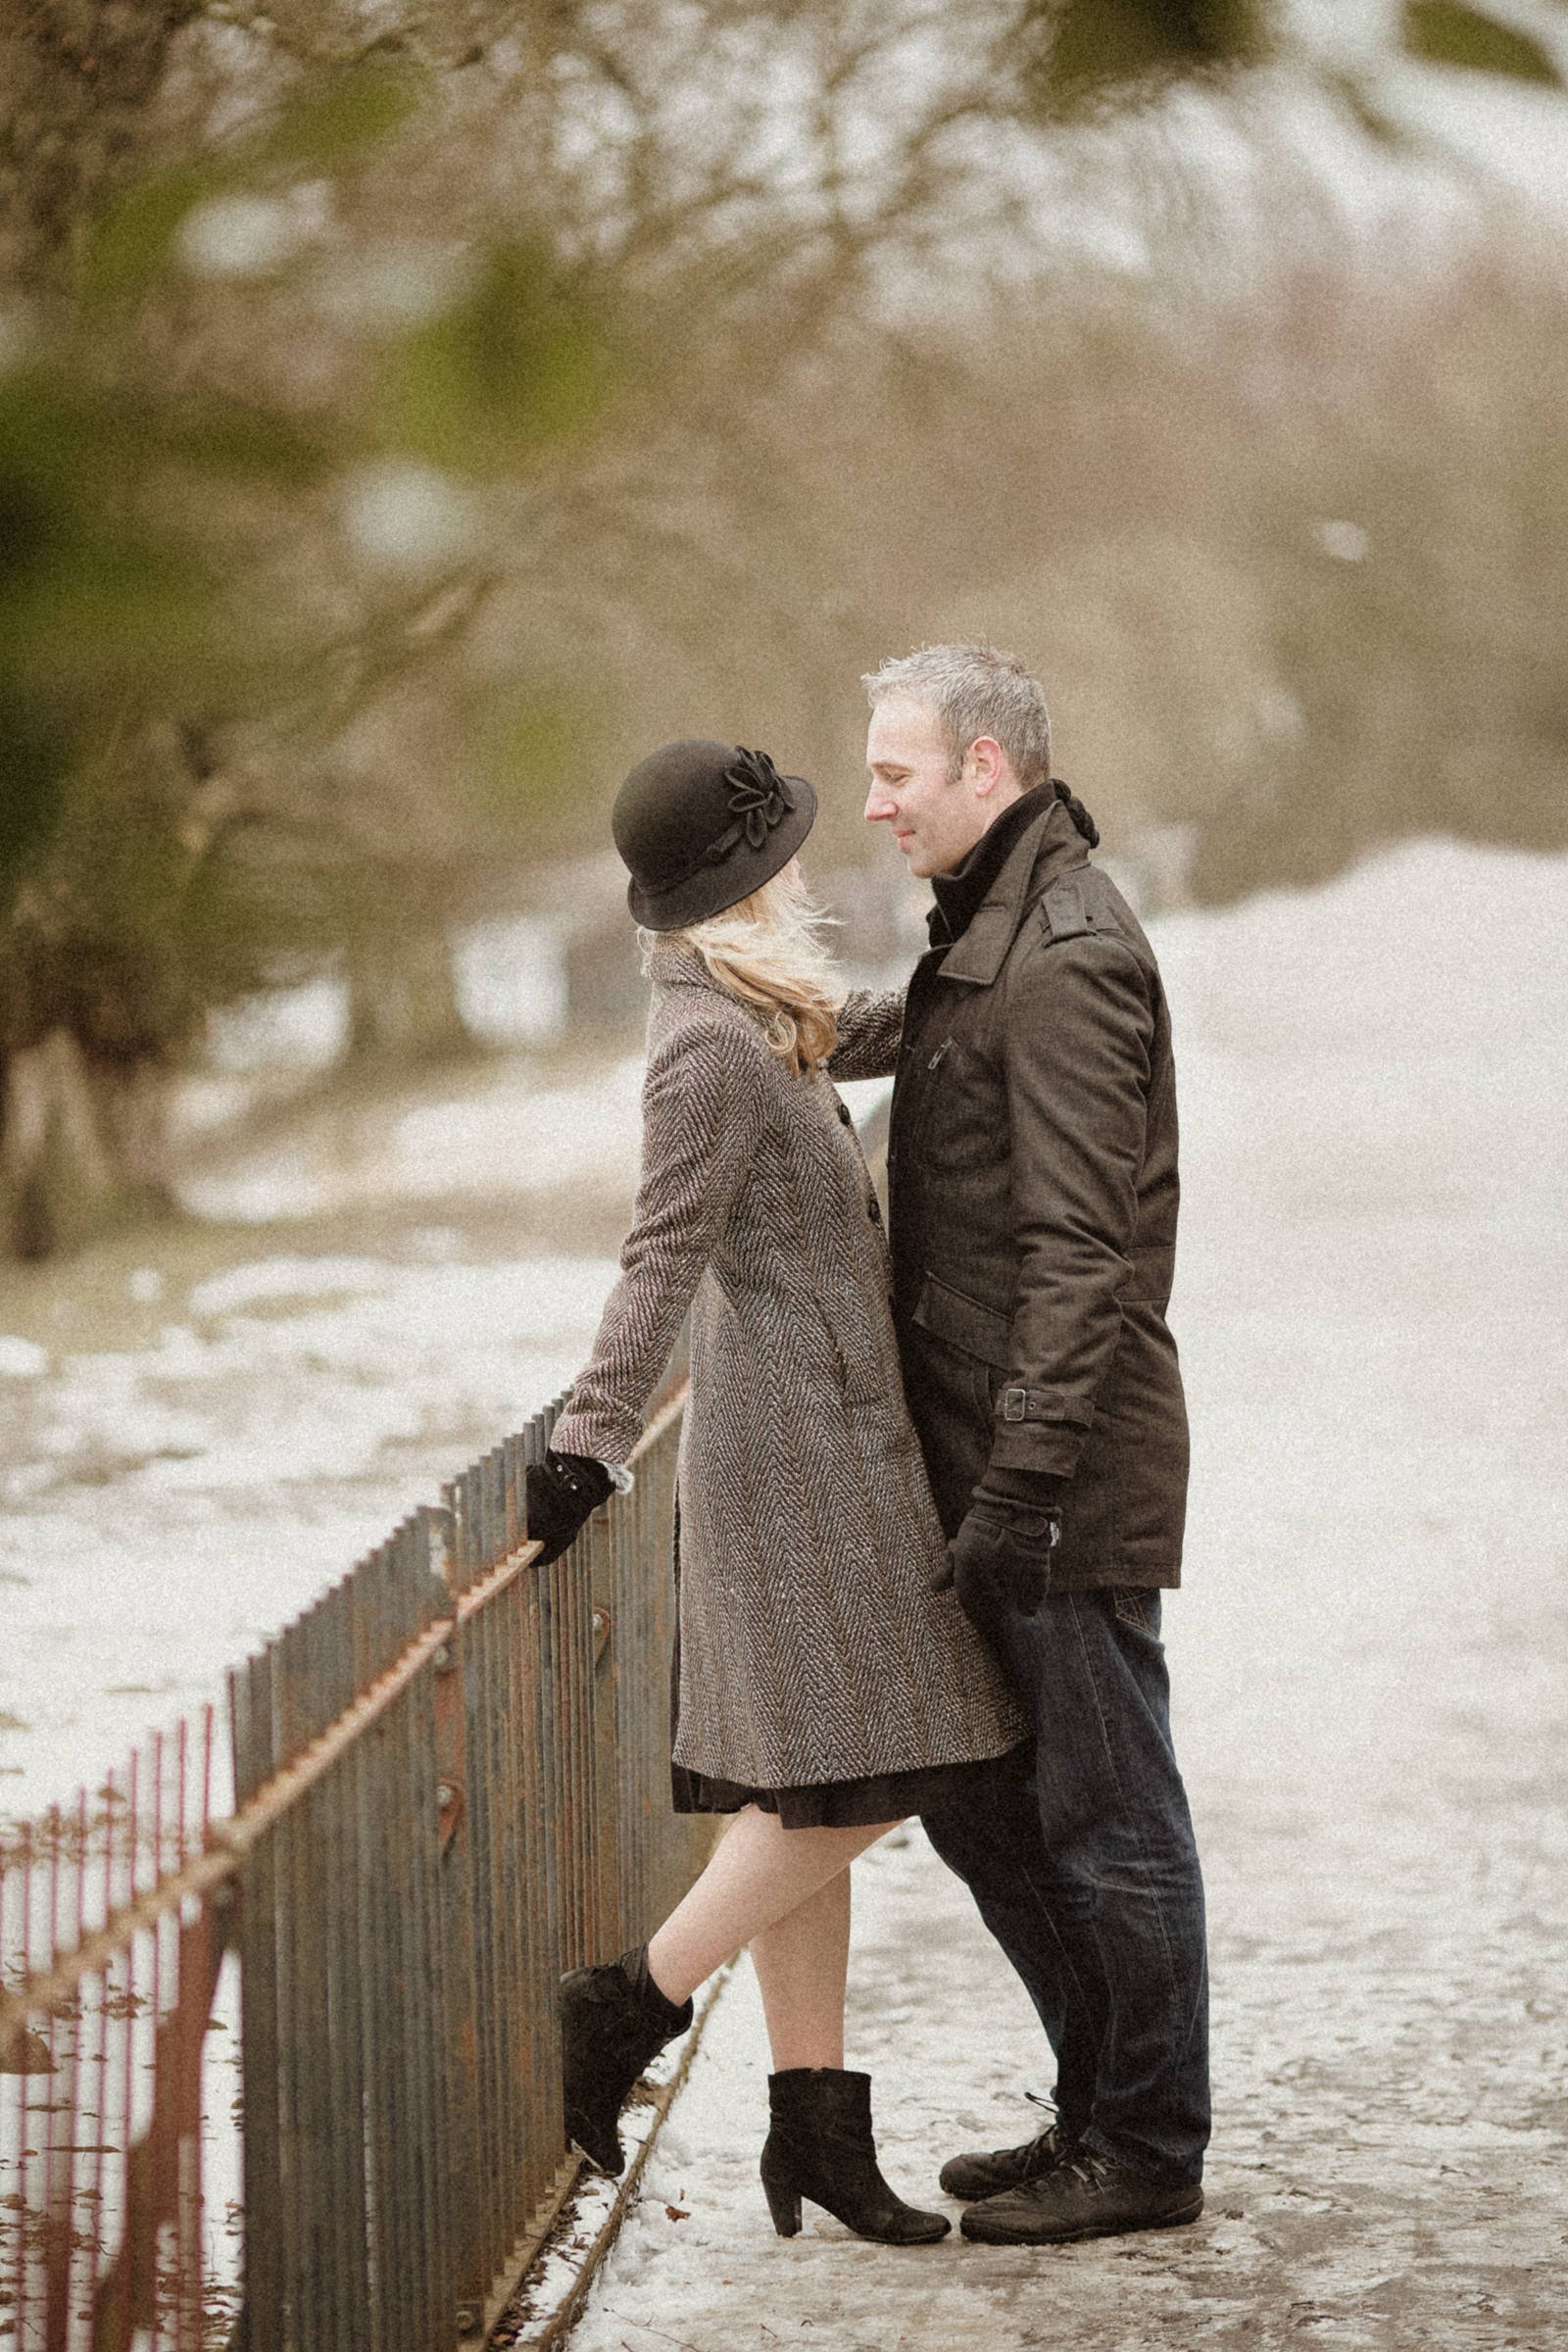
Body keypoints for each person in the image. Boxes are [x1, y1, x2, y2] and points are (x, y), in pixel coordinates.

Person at [528, 735, 1029, 2247]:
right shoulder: (705, 1048)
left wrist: (979, 969)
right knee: (899, 1763)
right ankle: (629, 2000)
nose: (803, 860)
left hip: (826, 1443)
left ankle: (816, 2129)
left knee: (810, 1786)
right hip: (801, 1465)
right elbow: (659, 1253)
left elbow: (858, 1030)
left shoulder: (755, 1007)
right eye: (779, 846)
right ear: (739, 877)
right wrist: (590, 1433)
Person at [856, 642, 1211, 2246]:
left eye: (897, 774)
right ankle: (1096, 2106)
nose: (876, 804)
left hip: (1059, 1468)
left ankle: (1147, 2147)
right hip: (991, 1458)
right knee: (987, 1812)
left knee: (1108, 1820)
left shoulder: (1064, 952)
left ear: (984, 768)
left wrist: (1021, 1486)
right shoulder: (987, 932)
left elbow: (1085, 1254)